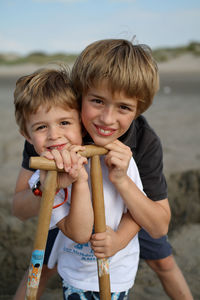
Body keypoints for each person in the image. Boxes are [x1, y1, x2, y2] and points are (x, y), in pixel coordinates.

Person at [13, 38, 192, 299]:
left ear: (138, 109)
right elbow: (19, 209)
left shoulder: (143, 140)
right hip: (71, 209)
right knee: (43, 267)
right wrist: (48, 187)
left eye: (124, 107)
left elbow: (157, 223)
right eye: (96, 101)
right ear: (79, 95)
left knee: (162, 262)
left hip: (130, 212)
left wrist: (120, 237)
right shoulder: (55, 133)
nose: (107, 119)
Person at [12, 66, 143, 299]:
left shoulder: (117, 156)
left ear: (81, 123)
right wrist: (78, 181)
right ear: (27, 135)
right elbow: (80, 233)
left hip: (116, 271)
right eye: (42, 127)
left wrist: (120, 239)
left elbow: (139, 212)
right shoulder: (44, 177)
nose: (54, 135)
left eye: (64, 123)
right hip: (74, 274)